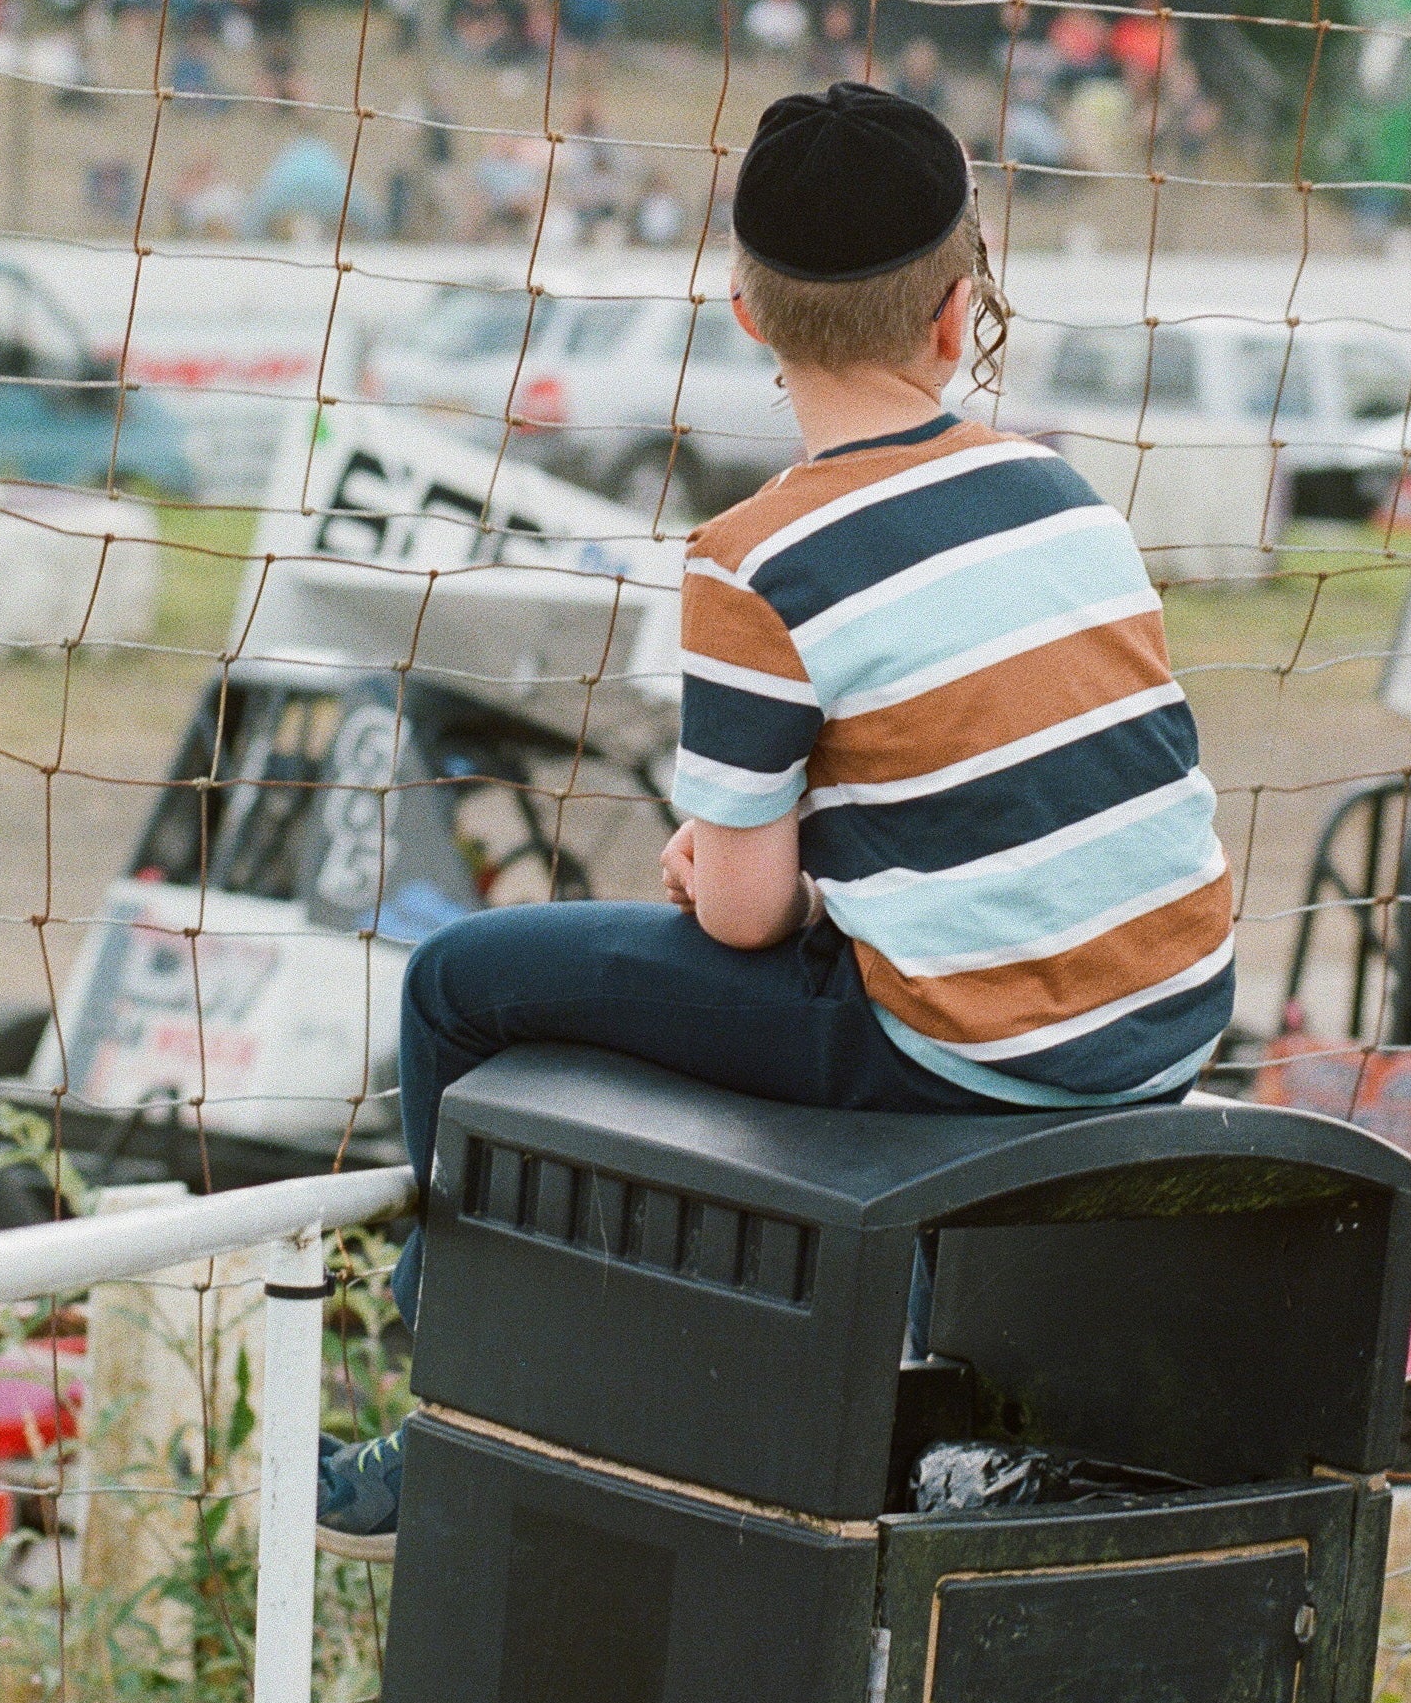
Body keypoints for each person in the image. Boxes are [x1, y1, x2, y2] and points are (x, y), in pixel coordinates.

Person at [321, 86, 1238, 1534]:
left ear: (745, 318)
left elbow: (743, 912)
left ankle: (453, 1396)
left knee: (456, 984)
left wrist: (725, 866)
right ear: (956, 313)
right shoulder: (1064, 496)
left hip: (968, 1055)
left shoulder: (750, 557)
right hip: (1169, 1022)